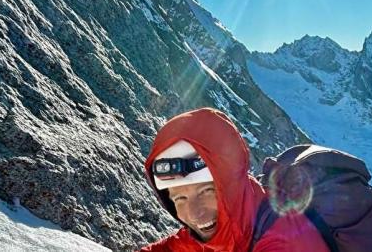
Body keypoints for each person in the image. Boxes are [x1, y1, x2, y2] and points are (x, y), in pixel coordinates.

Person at [138, 107, 330, 252]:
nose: (196, 215)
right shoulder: (226, 226)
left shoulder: (283, 240)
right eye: (179, 198)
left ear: (230, 186)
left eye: (207, 192)